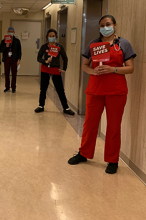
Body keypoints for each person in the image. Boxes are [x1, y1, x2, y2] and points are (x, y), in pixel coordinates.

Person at [68, 15, 136, 174]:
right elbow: (84, 65)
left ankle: (112, 160)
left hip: (116, 91)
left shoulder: (123, 44)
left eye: (108, 24)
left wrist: (113, 69)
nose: (106, 27)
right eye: (102, 25)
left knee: (113, 127)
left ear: (115, 25)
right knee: (89, 124)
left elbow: (130, 68)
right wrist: (93, 71)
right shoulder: (94, 44)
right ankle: (84, 153)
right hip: (95, 89)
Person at [35, 29, 75, 115]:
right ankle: (41, 106)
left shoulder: (59, 47)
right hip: (45, 69)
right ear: (47, 37)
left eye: (53, 36)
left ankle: (66, 108)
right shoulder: (44, 47)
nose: (51, 37)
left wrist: (64, 68)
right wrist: (45, 61)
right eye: (50, 36)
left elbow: (65, 58)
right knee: (43, 89)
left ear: (56, 37)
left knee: (60, 89)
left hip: (55, 70)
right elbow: (38, 58)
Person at [0, 27, 22, 93]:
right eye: (9, 31)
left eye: (12, 31)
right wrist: (6, 46)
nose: (10, 32)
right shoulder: (3, 41)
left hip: (14, 60)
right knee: (6, 74)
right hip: (6, 60)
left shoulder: (17, 41)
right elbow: (0, 50)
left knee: (14, 74)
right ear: (7, 32)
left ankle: (13, 87)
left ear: (14, 32)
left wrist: (19, 59)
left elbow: (19, 51)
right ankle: (7, 87)